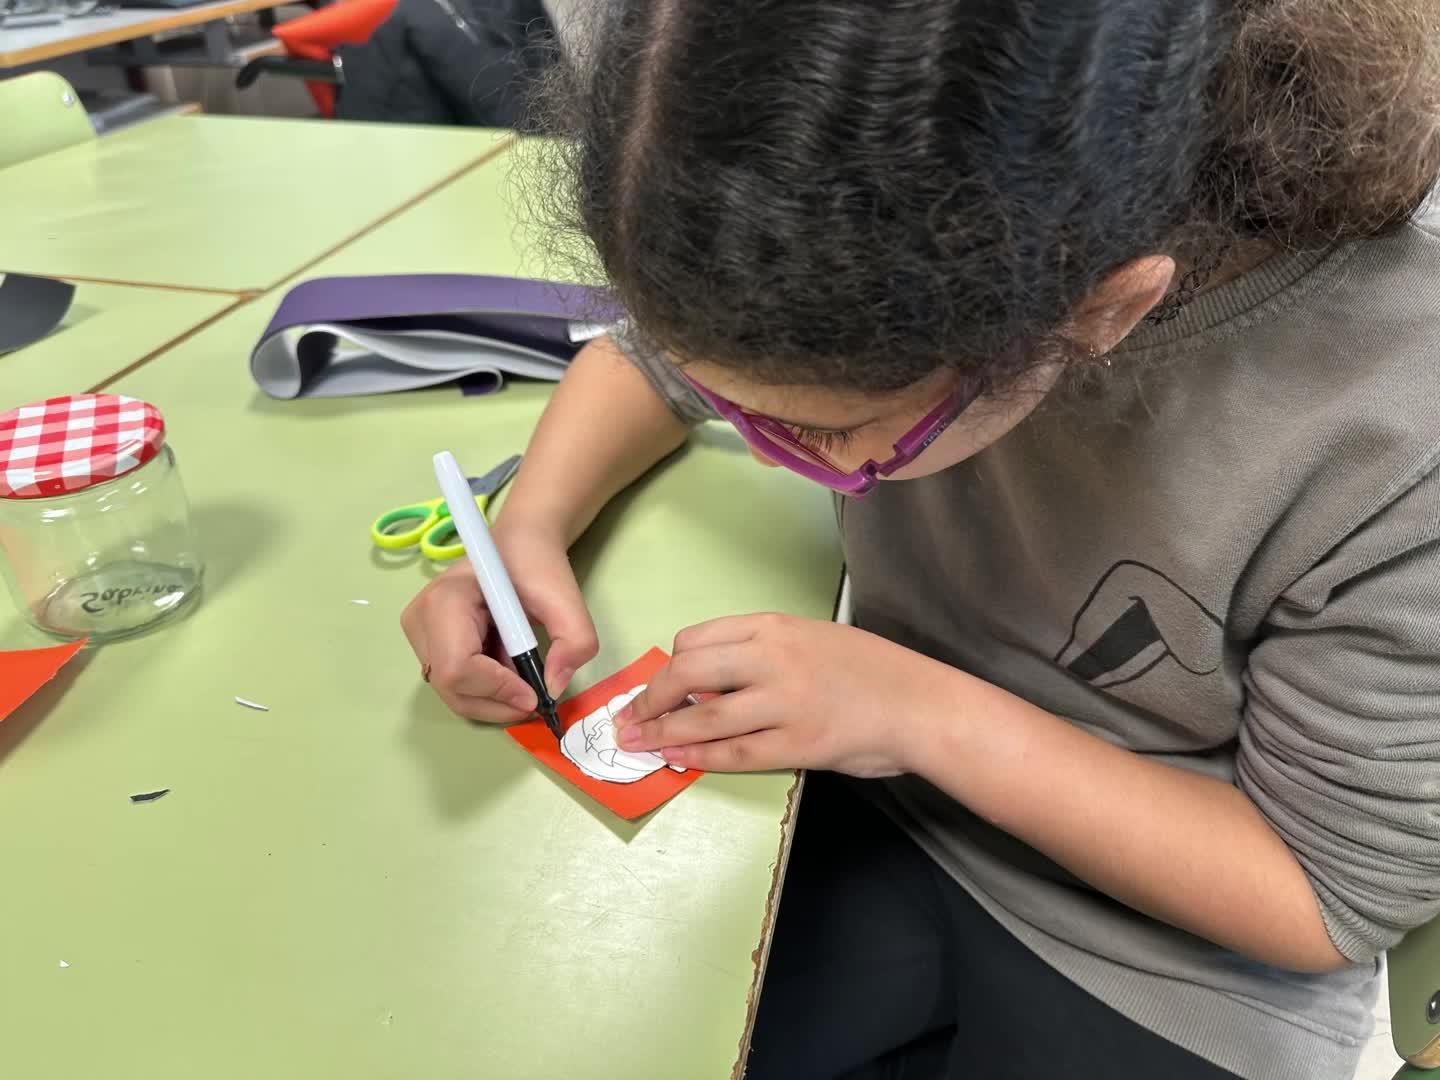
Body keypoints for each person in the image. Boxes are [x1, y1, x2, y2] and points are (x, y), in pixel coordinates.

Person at [401, 2, 1440, 1076]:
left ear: (1105, 313)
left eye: (822, 434)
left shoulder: (1400, 423)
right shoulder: (838, 247)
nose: (767, 457)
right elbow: (665, 360)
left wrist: (916, 713)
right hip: (881, 806)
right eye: (741, 408)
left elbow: (1323, 895)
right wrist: (528, 526)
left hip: (1173, 963)